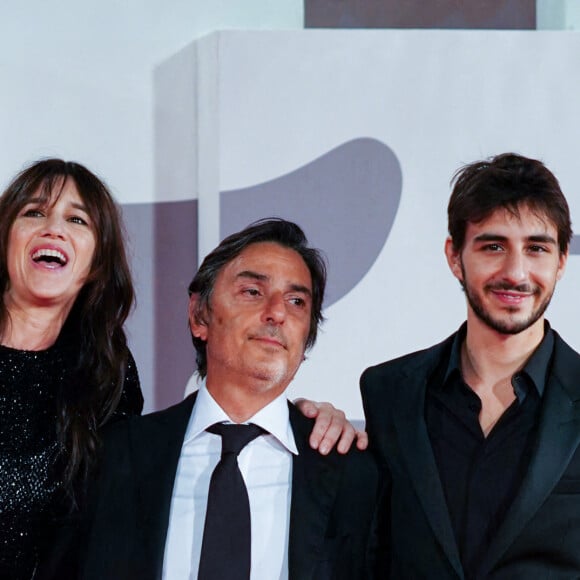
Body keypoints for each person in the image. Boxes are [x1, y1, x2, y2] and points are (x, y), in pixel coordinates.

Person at [80, 218, 379, 580]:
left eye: (297, 301)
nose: (277, 312)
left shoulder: (356, 474)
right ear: (198, 315)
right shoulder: (116, 456)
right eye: (253, 291)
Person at [361, 152, 580, 578]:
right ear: (455, 256)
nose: (515, 273)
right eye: (493, 246)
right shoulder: (388, 392)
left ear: (561, 260)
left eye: (536, 248)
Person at [0, 158, 144, 580]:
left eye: (77, 219)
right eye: (34, 213)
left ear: (98, 262)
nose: (53, 228)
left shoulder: (108, 371)